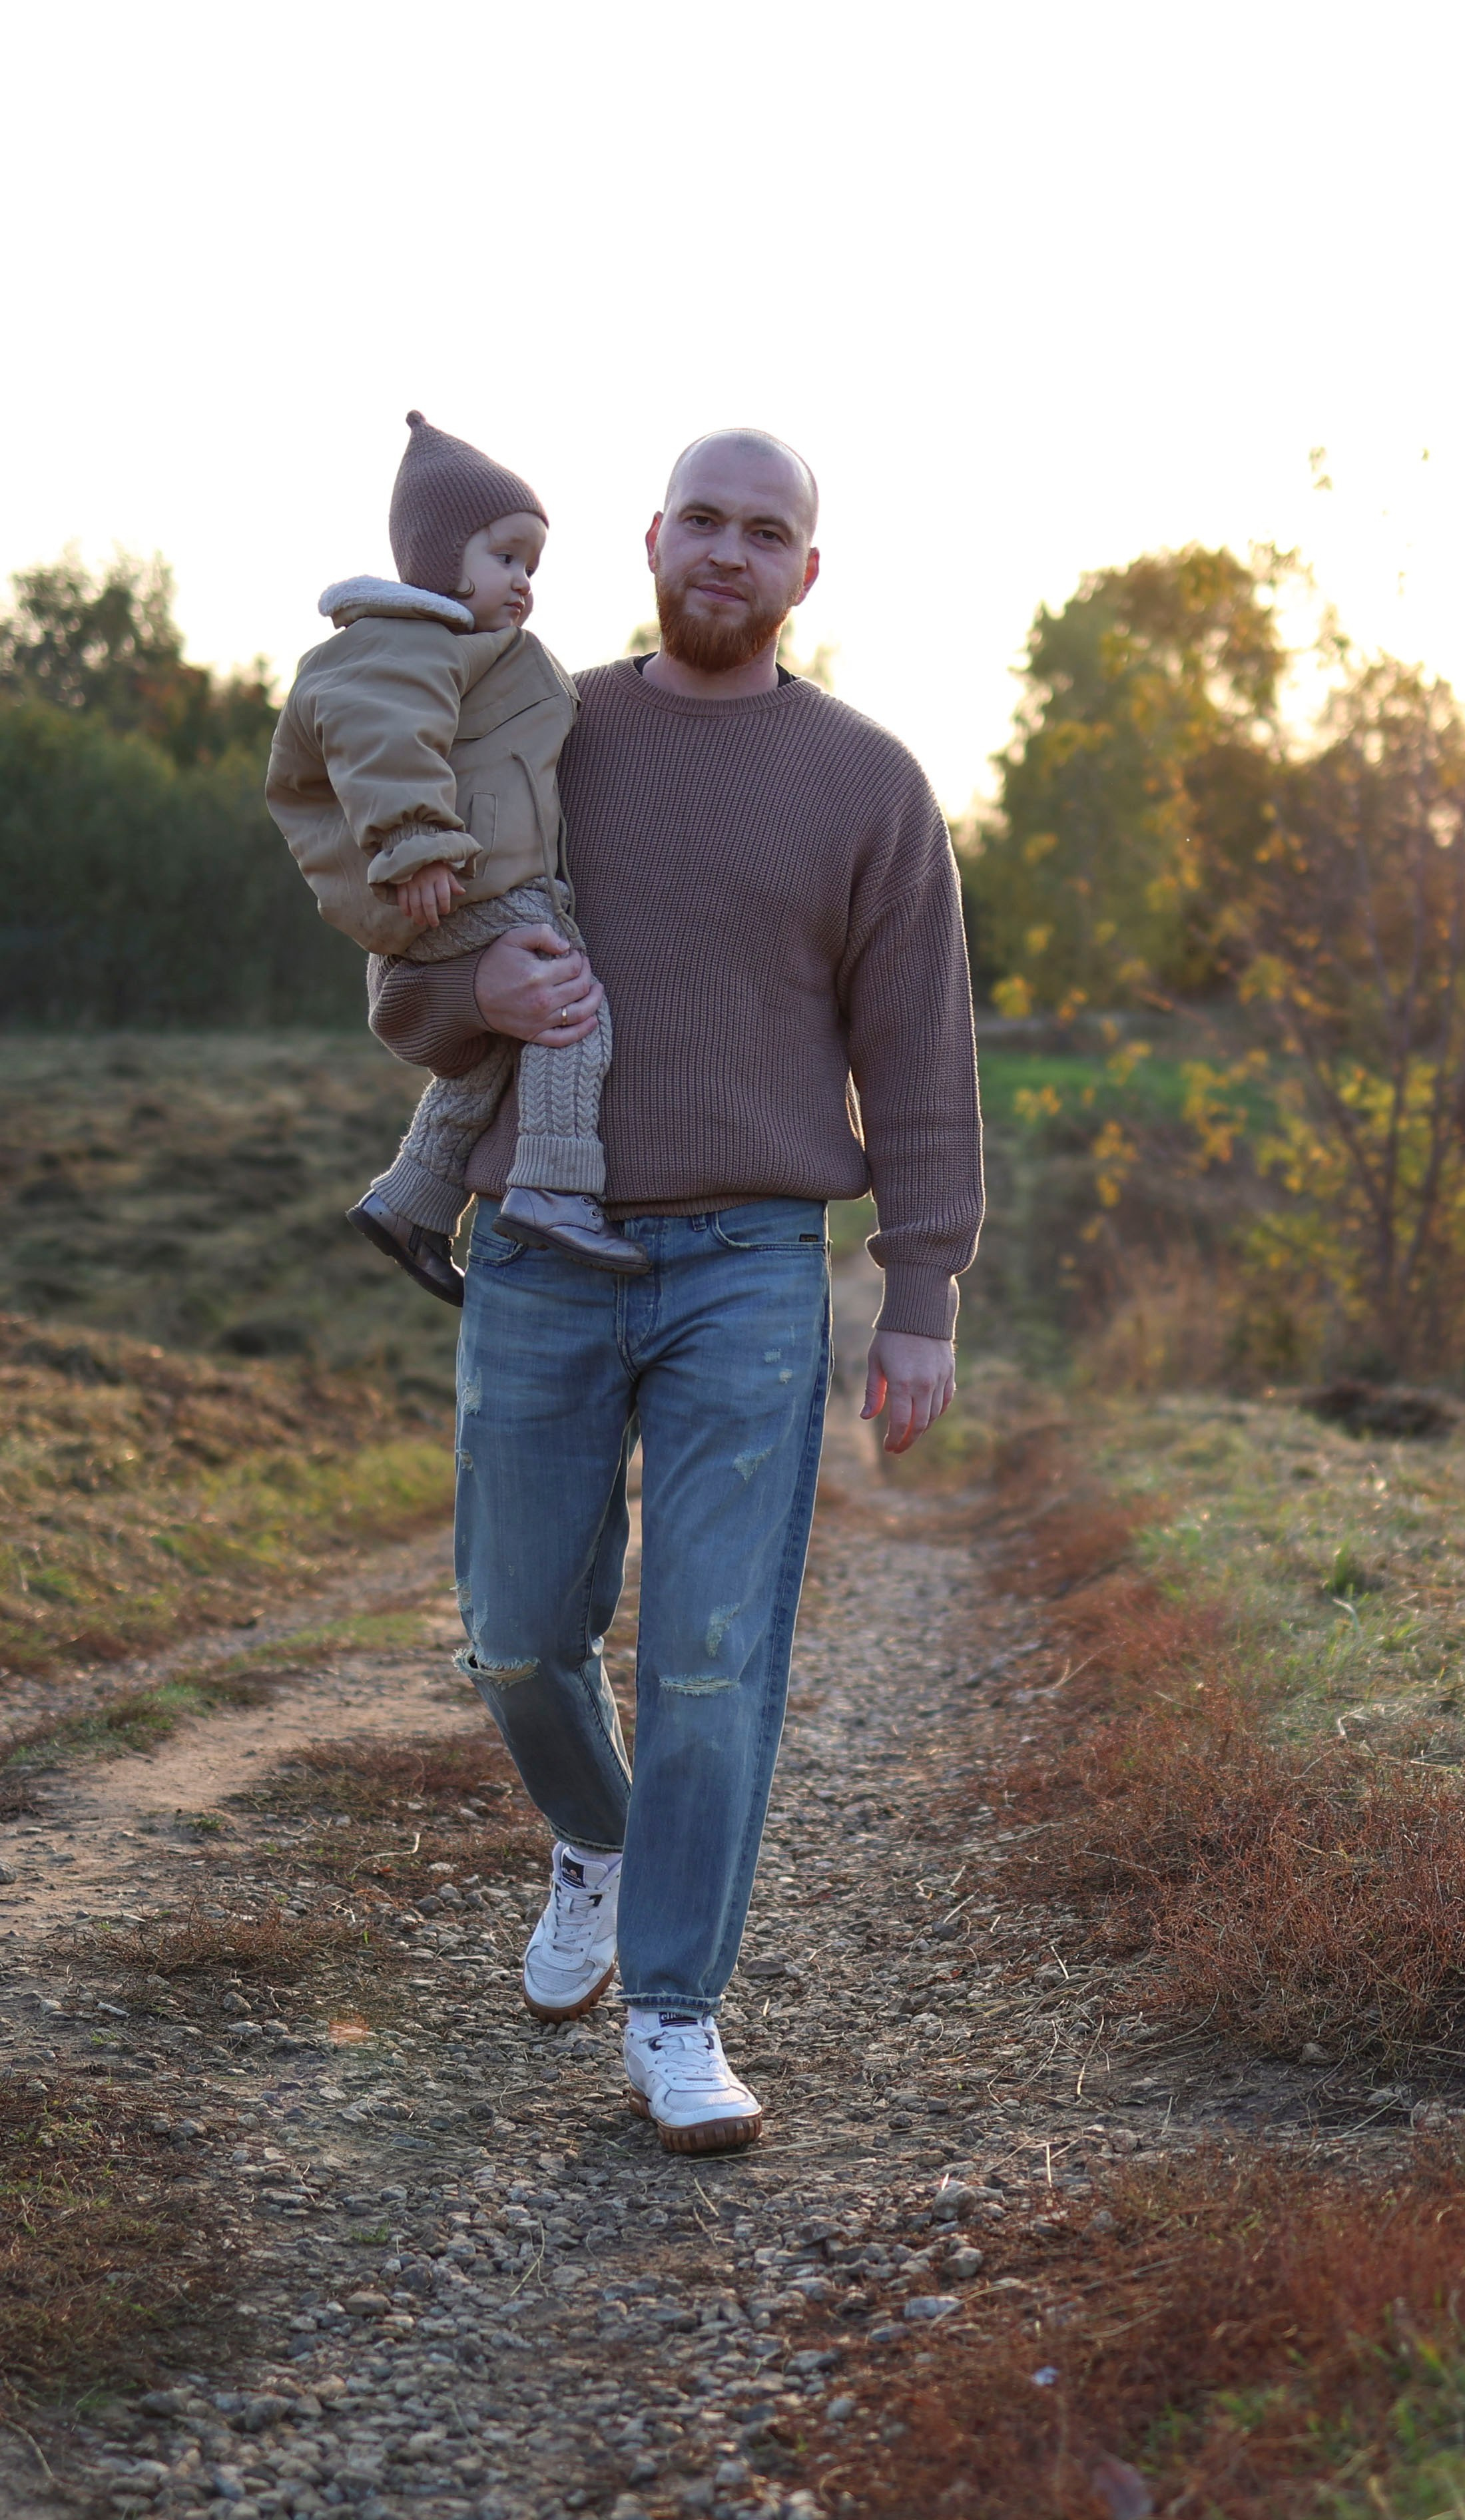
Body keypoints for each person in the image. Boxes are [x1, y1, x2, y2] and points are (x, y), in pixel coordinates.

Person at [370, 429, 984, 2154]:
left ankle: (674, 2010)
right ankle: (597, 1831)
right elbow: (406, 967)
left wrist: (919, 1290)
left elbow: (919, 1059)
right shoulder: (533, 730)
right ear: (648, 538)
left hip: (752, 1270)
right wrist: (472, 983)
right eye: (701, 520)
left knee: (716, 1651)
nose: (728, 551)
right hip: (542, 1247)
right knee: (511, 1631)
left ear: (807, 573)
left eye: (764, 531)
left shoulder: (868, 784)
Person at [266, 410, 647, 1292]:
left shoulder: (458, 651)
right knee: (570, 1012)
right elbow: (382, 740)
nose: (523, 582)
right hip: (462, 882)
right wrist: (417, 845)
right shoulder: (397, 644)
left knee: (492, 1051)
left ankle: (410, 1200)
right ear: (441, 558)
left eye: (532, 566)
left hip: (463, 879)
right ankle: (553, 1189)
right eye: (504, 557)